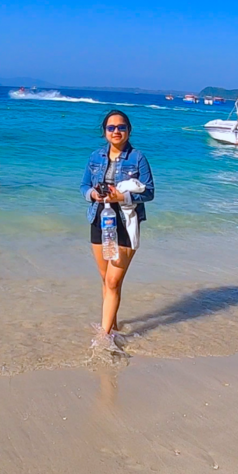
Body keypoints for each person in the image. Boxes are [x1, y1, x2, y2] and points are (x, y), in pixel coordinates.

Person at [80, 110, 154, 349]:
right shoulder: (95, 156)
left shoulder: (138, 158)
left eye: (121, 127)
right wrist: (92, 194)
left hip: (125, 220)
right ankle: (112, 323)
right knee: (106, 279)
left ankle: (104, 336)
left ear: (128, 131)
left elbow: (150, 192)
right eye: (111, 128)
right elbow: (83, 185)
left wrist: (122, 195)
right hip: (99, 218)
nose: (116, 131)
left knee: (113, 281)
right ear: (104, 132)